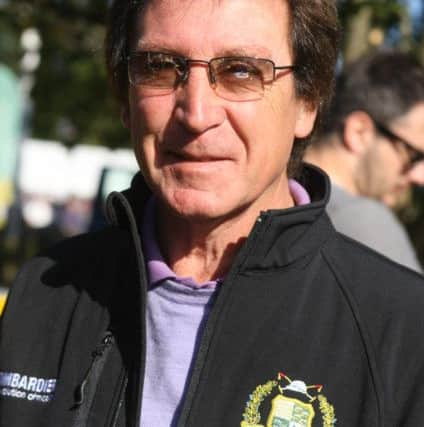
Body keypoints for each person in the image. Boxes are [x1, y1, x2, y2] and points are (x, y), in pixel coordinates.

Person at [1, 1, 424, 427]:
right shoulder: (44, 292)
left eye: (240, 71)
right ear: (125, 100)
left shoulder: (402, 333)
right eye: (161, 67)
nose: (196, 113)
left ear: (307, 103)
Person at [305, 51, 424, 272]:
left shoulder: (276, 197)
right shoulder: (364, 220)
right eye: (413, 155)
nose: (420, 177)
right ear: (359, 132)